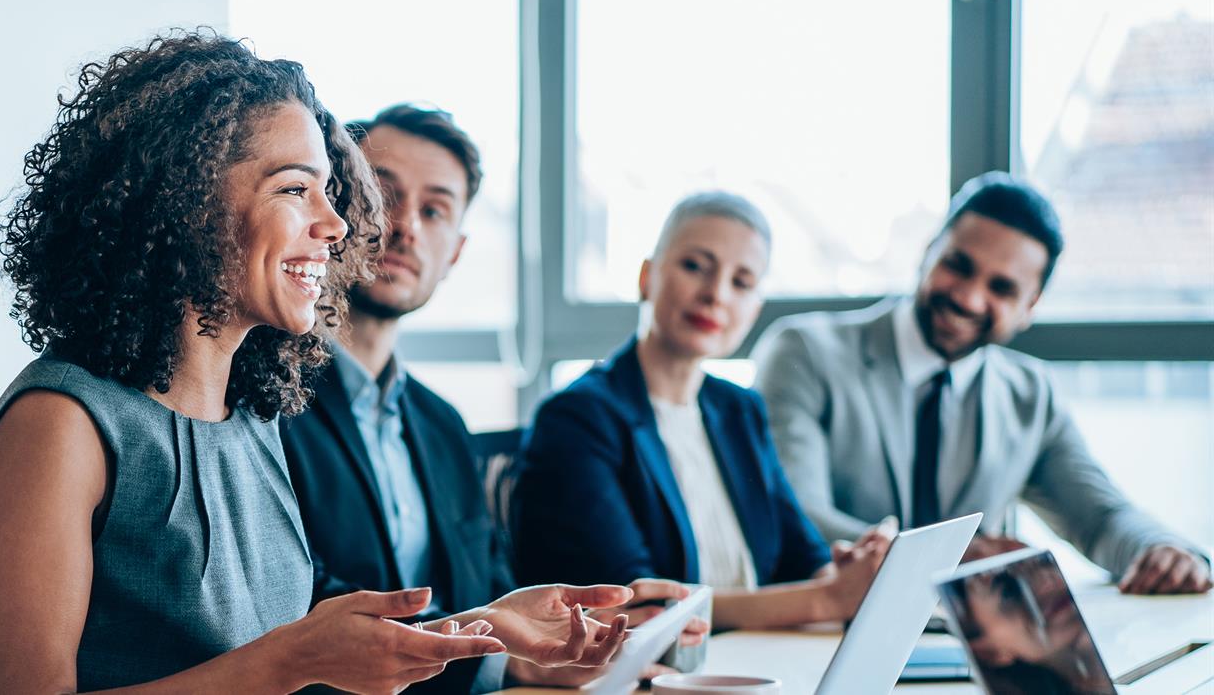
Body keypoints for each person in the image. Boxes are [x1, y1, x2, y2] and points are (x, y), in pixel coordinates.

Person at [0, 32, 637, 694]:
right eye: (296, 190)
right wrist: (288, 664)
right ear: (186, 200)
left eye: (329, 190)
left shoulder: (253, 415)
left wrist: (484, 627)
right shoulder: (61, 422)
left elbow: (314, 641)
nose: (337, 224)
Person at [280, 104, 705, 692]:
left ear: (453, 252)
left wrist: (565, 635)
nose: (405, 226)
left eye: (435, 211)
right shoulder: (267, 398)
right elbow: (289, 604)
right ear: (335, 207)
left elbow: (487, 590)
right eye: (383, 193)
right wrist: (500, 655)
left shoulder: (442, 424)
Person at [752, 172, 1210, 595]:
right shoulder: (804, 353)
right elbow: (795, 516)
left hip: (973, 652)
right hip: (819, 635)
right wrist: (951, 556)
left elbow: (1101, 519)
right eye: (959, 265)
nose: (969, 297)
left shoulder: (1030, 395)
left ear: (1030, 306)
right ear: (928, 251)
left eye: (1002, 288)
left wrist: (1166, 551)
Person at [514, 192, 893, 630]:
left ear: (755, 309)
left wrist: (851, 576)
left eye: (742, 282)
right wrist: (827, 601)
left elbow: (802, 556)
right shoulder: (577, 417)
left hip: (759, 661)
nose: (716, 294)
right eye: (695, 266)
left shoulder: (739, 409)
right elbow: (639, 604)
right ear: (647, 277)